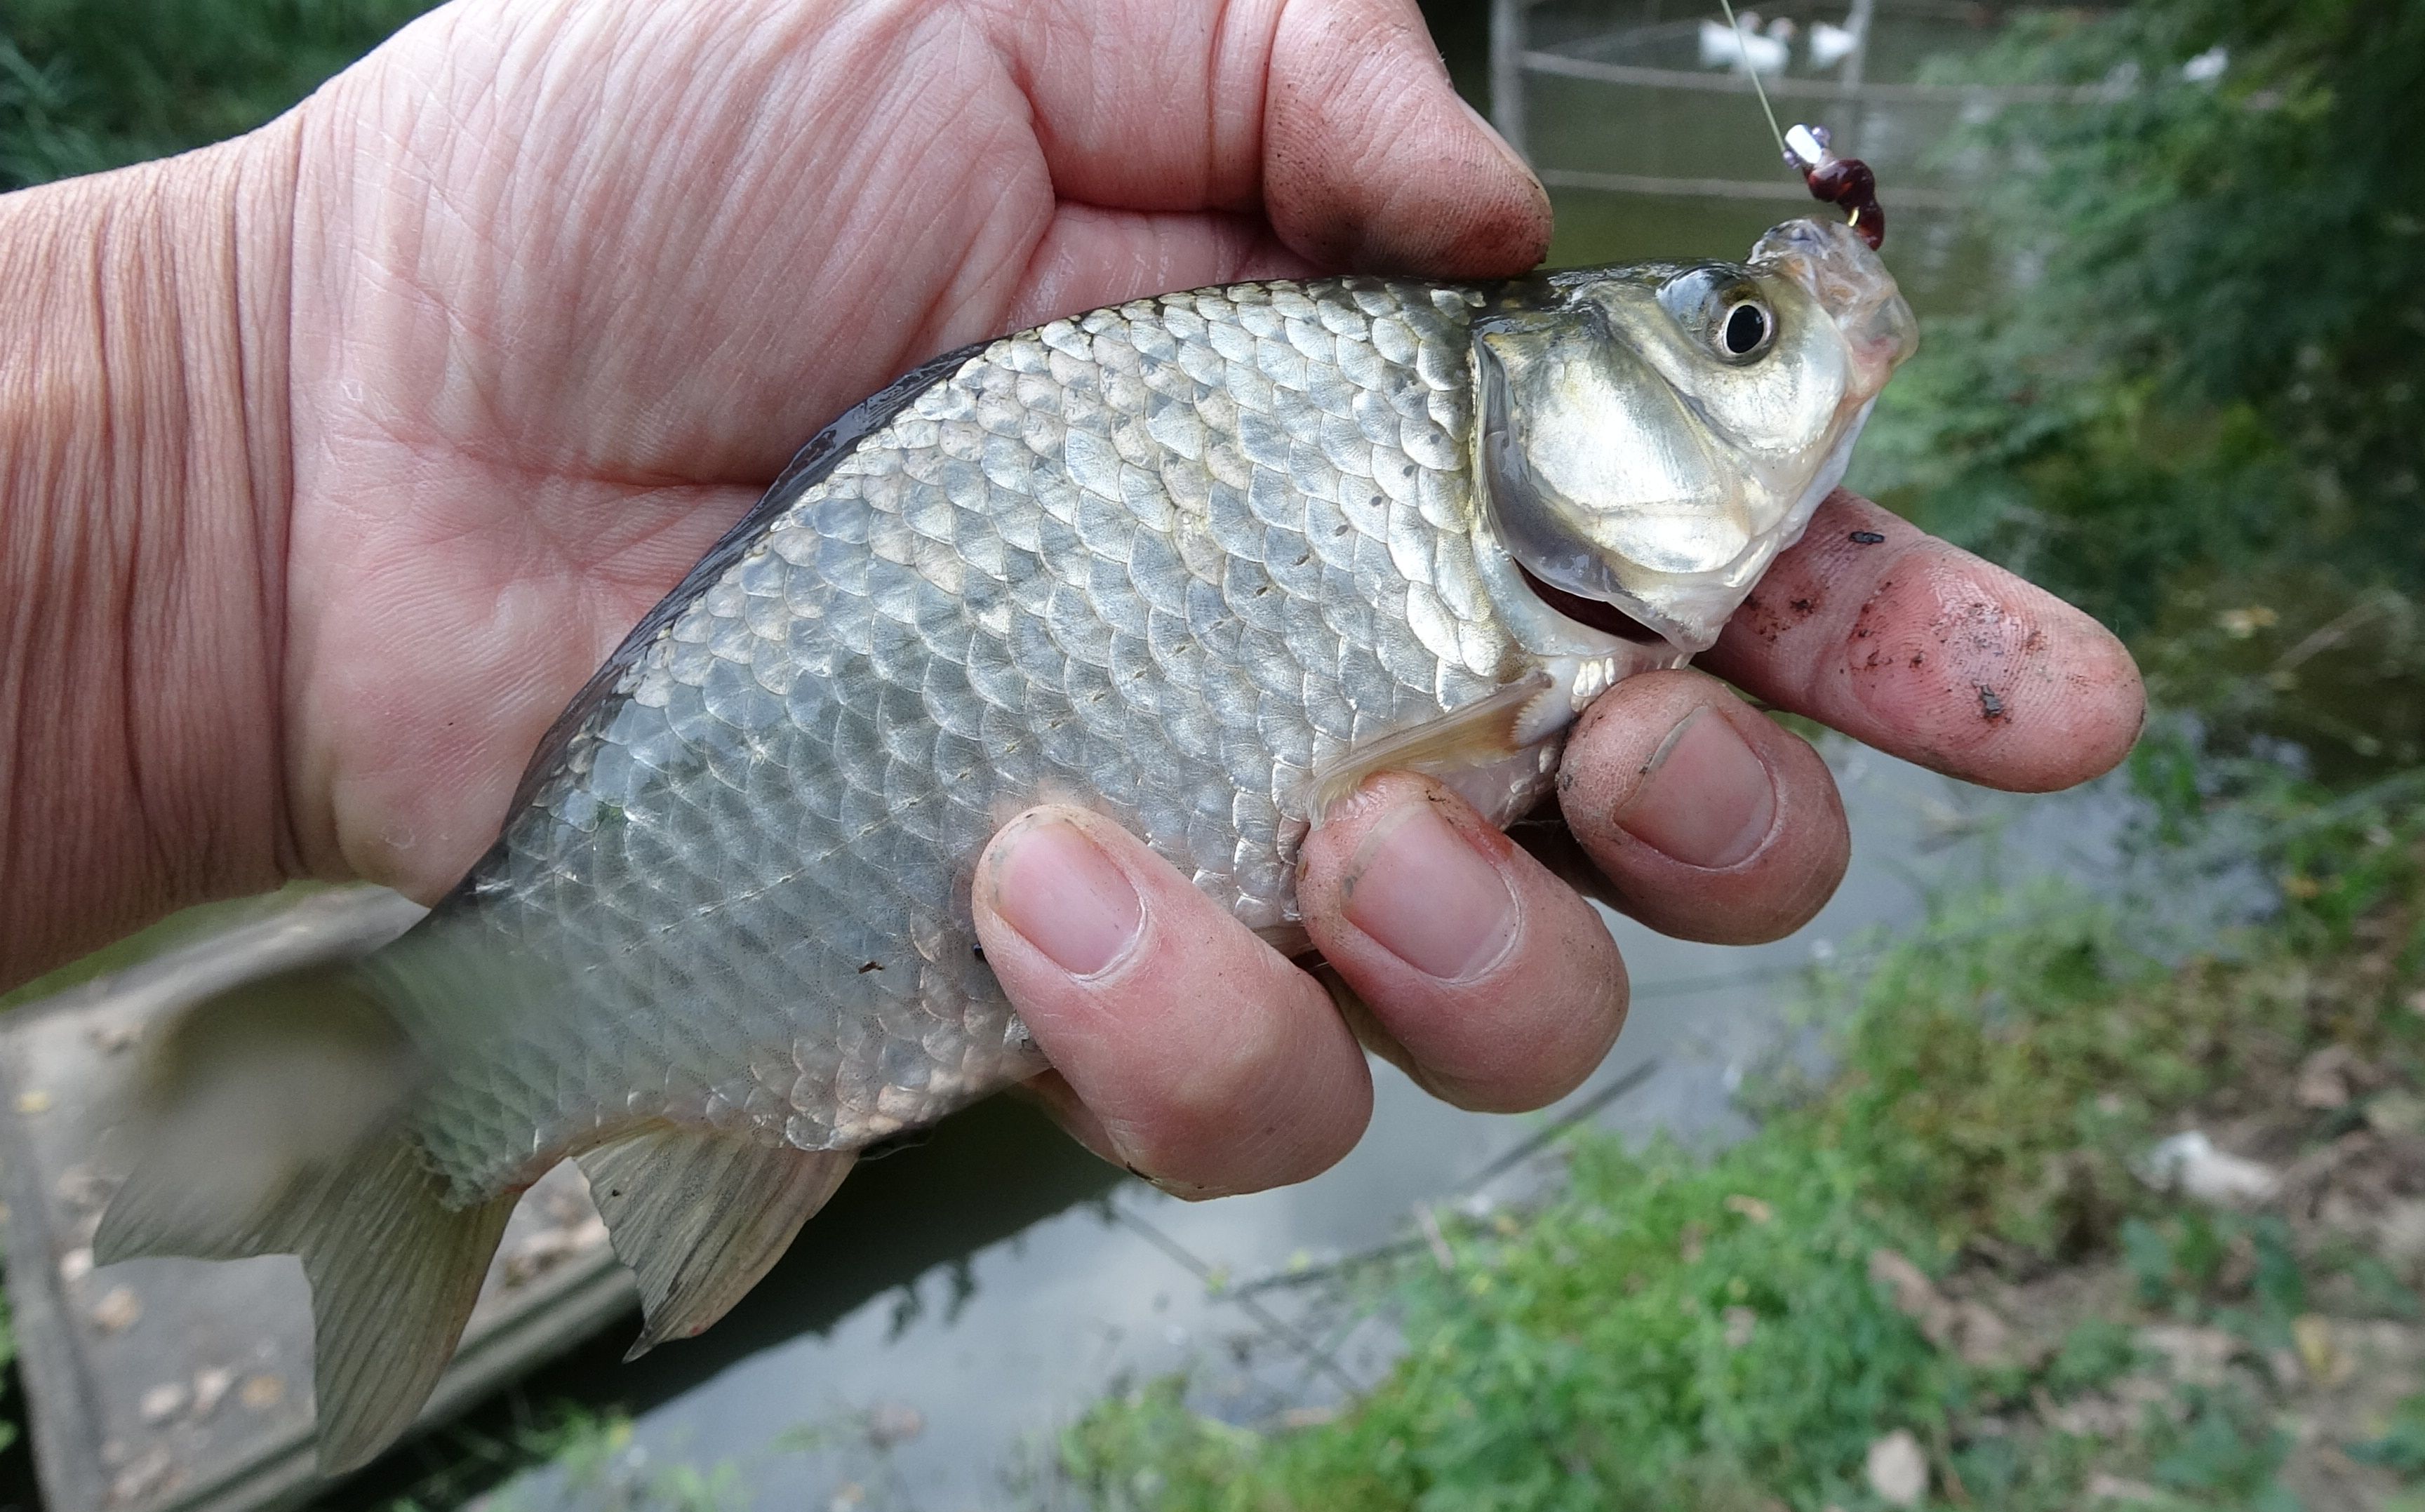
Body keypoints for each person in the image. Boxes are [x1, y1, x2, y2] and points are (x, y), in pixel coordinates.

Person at [0, 0, 2141, 1200]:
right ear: (1543, 419)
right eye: (1740, 351)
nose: (1785, 355)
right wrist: (255, 450)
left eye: (1736, 344)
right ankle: (493, 1068)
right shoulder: (1428, 455)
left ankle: (595, 1078)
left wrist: (246, 479)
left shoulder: (1466, 495)